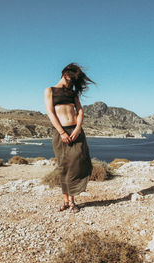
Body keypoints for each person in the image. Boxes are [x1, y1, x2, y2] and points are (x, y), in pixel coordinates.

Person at [44, 63, 94, 213]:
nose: (71, 83)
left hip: (75, 131)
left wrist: (78, 128)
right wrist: (61, 132)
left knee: (76, 164)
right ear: (65, 74)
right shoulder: (50, 91)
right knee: (64, 166)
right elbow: (50, 113)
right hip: (61, 133)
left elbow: (80, 111)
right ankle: (67, 201)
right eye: (71, 79)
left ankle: (72, 201)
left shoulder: (73, 93)